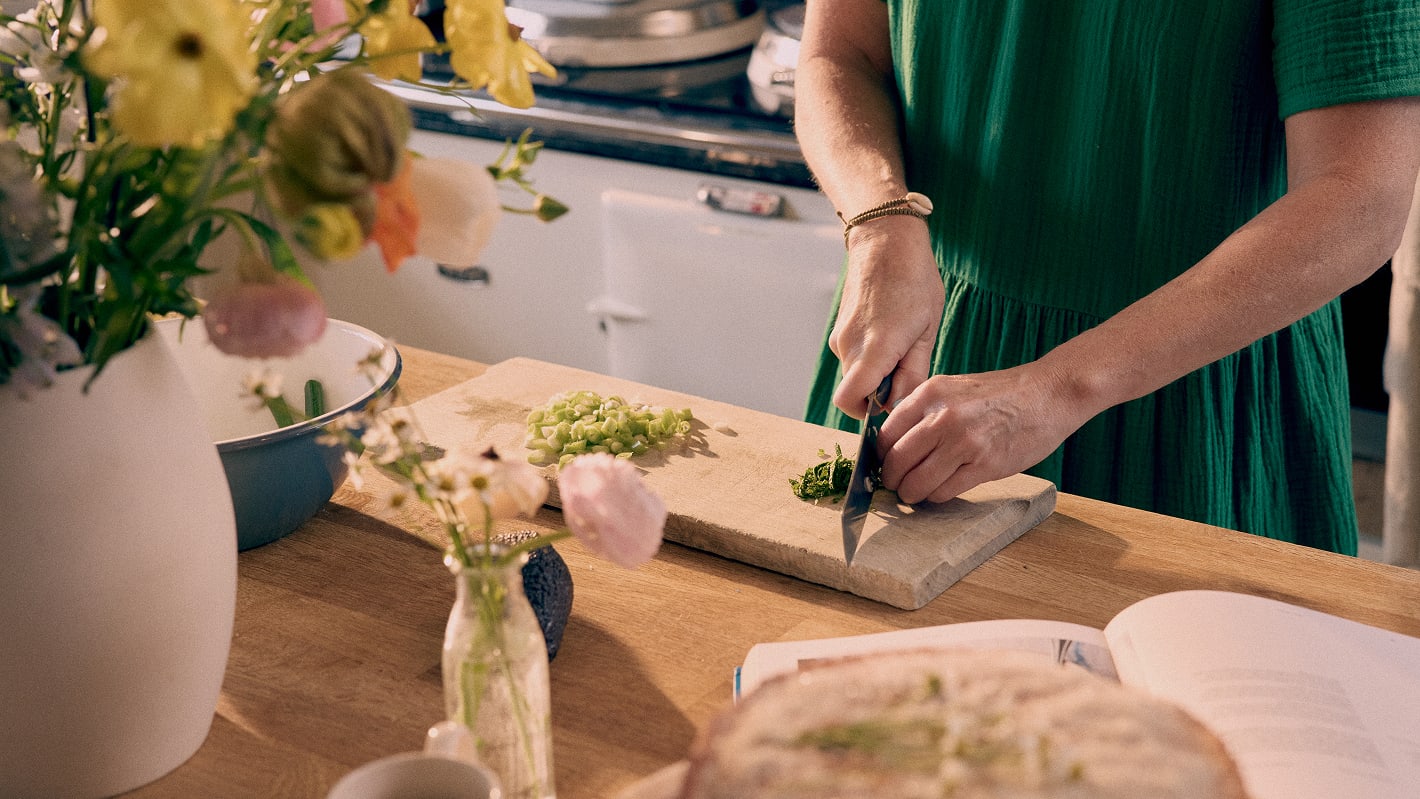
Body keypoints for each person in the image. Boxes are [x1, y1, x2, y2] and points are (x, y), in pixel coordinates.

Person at [795, 0, 1420, 554]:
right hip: (926, 360)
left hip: (1189, 402)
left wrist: (1056, 389)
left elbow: (1359, 197)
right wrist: (880, 221)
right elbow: (839, 56)